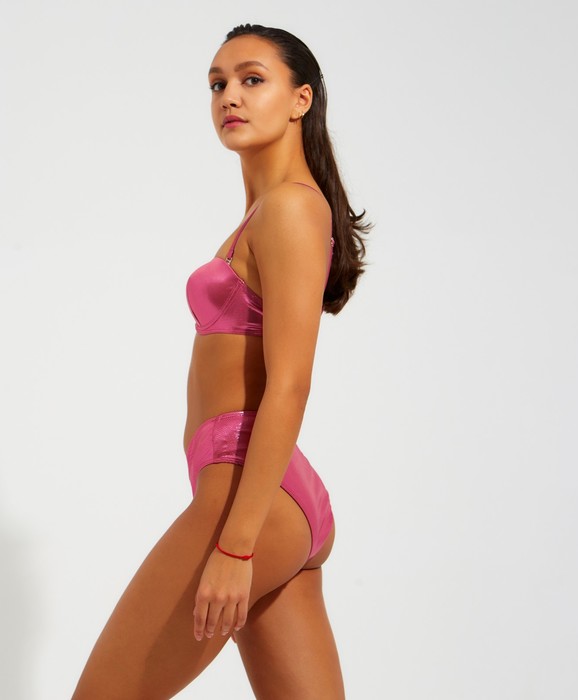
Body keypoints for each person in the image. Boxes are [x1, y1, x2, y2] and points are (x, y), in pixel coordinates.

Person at [72, 23, 371, 700]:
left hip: (248, 497)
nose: (229, 96)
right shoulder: (269, 210)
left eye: (251, 79)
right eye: (217, 84)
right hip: (273, 496)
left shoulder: (290, 208)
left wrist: (236, 548)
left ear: (300, 99)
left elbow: (290, 384)